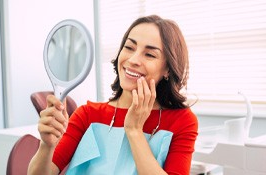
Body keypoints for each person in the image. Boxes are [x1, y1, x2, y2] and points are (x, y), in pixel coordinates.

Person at [28, 15, 198, 175]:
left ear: (168, 69)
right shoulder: (87, 114)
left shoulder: (182, 122)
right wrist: (46, 146)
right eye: (129, 47)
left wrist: (134, 131)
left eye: (149, 54)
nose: (133, 59)